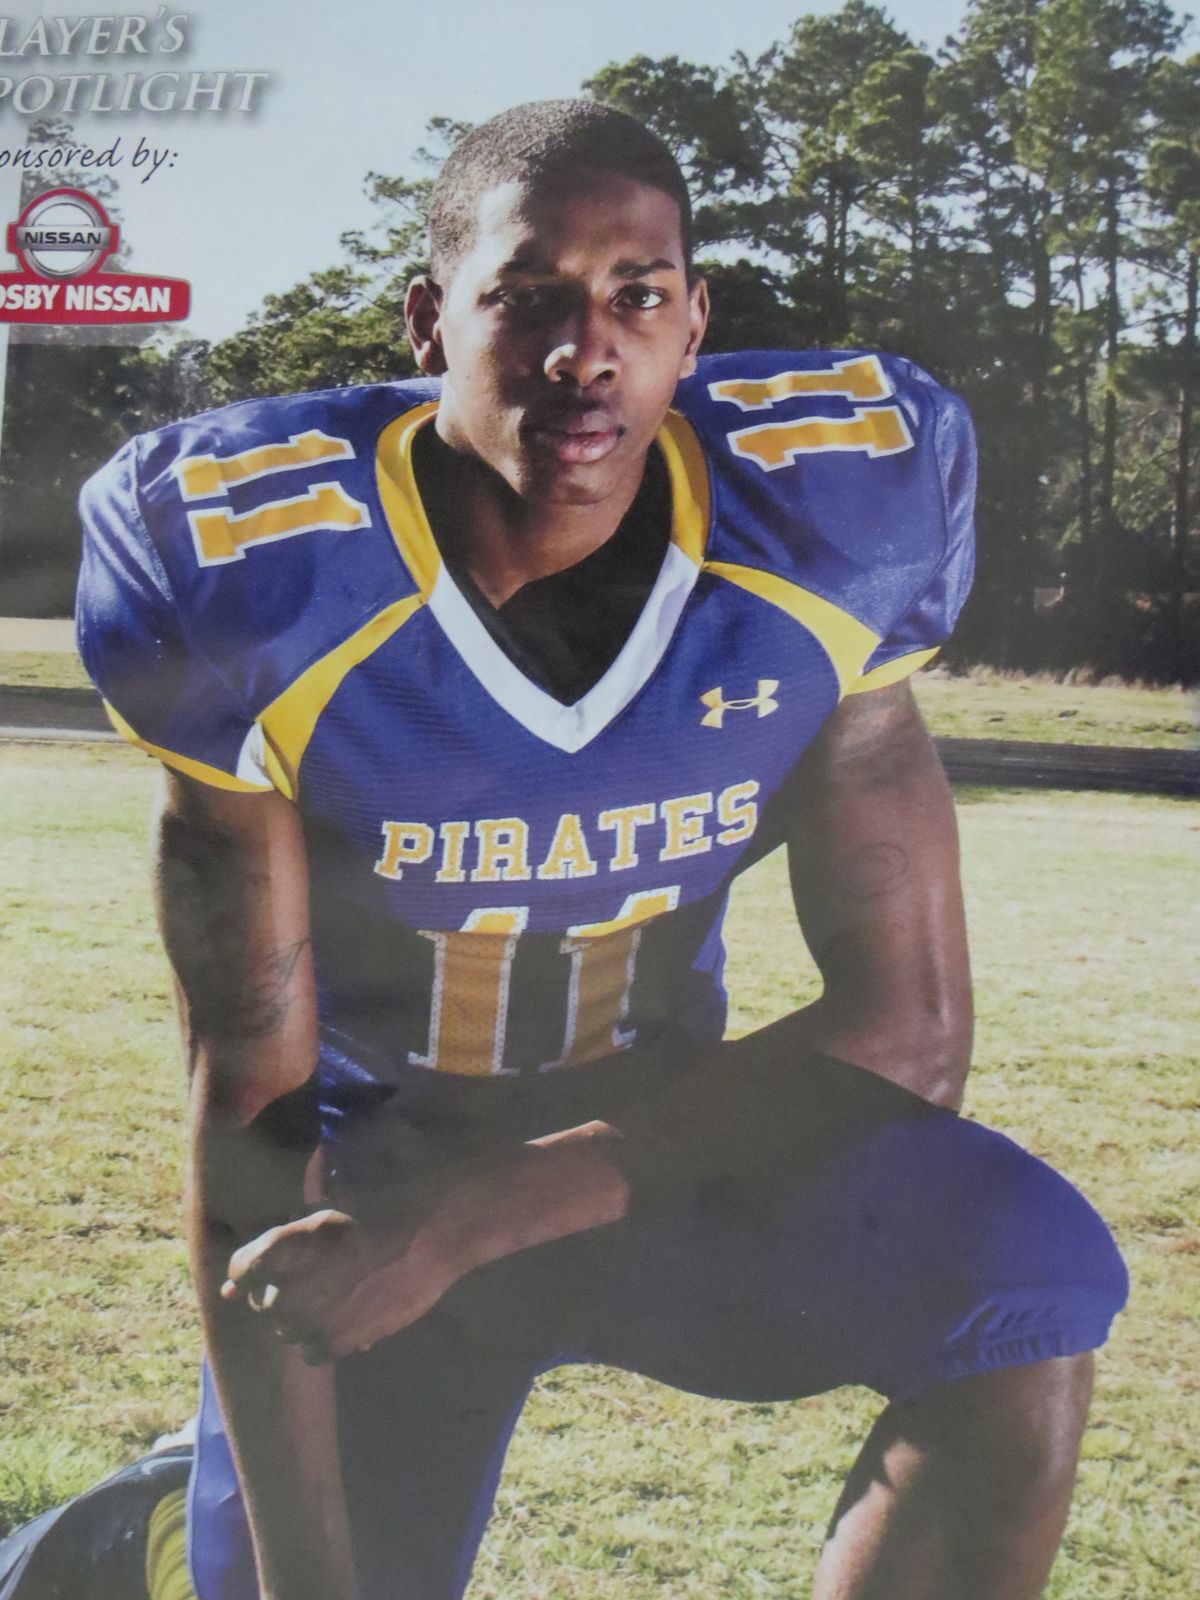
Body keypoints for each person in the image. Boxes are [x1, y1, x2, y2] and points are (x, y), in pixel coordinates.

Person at [60, 98, 1126, 1600]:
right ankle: (130, 1543)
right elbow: (249, 1111)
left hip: (659, 1149)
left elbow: (910, 1031)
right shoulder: (255, 579)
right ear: (430, 320)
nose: (587, 351)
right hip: (367, 1187)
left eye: (637, 296)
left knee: (1034, 1271)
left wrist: (467, 1222)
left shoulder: (832, 525)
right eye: (528, 298)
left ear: (697, 322)